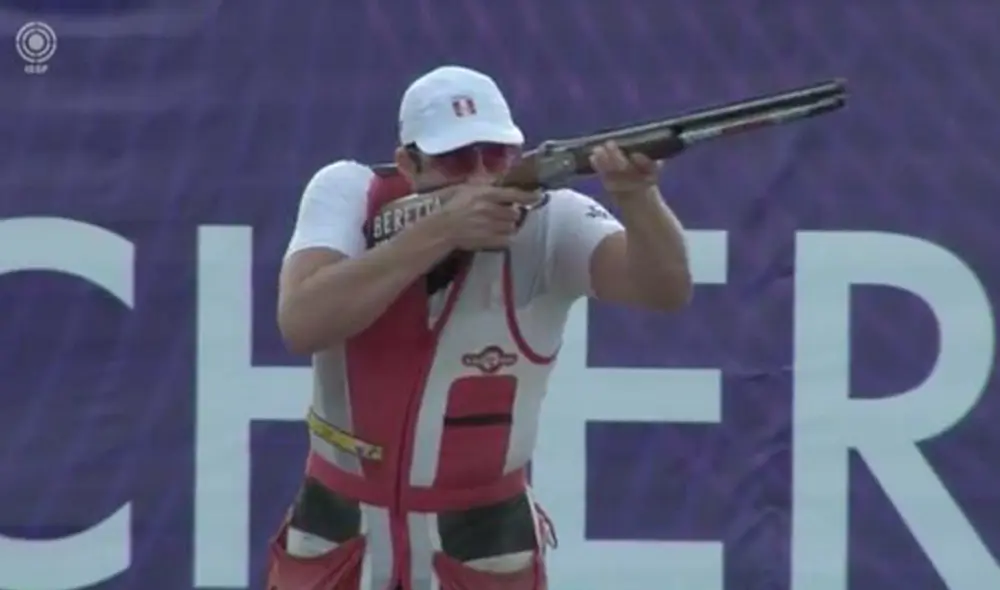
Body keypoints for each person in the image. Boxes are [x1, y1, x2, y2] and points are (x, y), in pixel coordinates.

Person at [267, 65, 692, 590]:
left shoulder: (552, 220)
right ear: (408, 162)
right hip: (340, 534)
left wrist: (637, 198)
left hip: (482, 539)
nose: (481, 176)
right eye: (456, 159)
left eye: (496, 155)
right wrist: (441, 231)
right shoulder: (347, 192)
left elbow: (665, 288)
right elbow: (302, 322)